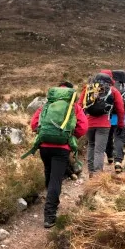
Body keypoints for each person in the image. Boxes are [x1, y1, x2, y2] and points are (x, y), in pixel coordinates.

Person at [28, 81, 88, 228]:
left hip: (44, 147)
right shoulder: (74, 107)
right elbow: (83, 127)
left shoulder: (47, 105)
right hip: (62, 148)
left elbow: (34, 124)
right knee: (56, 179)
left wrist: (46, 133)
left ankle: (51, 200)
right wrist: (71, 137)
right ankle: (49, 215)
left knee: (49, 173)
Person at [78, 70, 125, 177]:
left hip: (89, 123)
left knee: (91, 146)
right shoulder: (113, 90)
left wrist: (80, 121)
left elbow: (79, 106)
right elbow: (120, 109)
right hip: (104, 125)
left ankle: (91, 172)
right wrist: (121, 124)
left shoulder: (88, 89)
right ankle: (97, 175)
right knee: (99, 150)